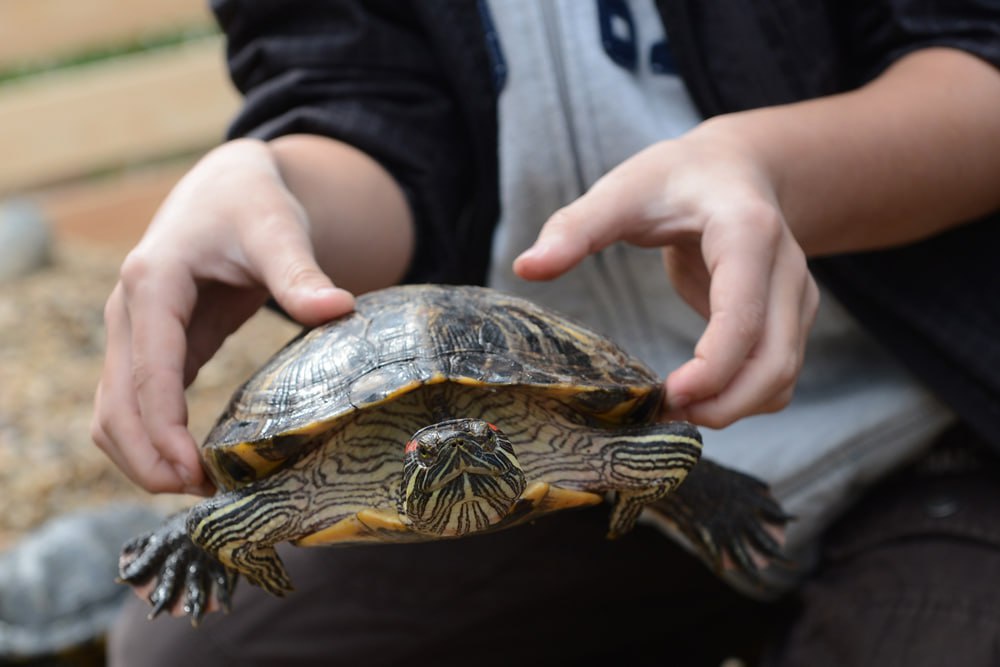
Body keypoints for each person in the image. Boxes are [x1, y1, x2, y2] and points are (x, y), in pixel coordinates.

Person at [93, 1, 1000, 665]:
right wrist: (269, 181)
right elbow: (366, 111)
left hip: (930, 414)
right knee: (190, 654)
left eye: (467, 442)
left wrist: (768, 170)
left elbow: (976, 54)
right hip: (565, 475)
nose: (452, 443)